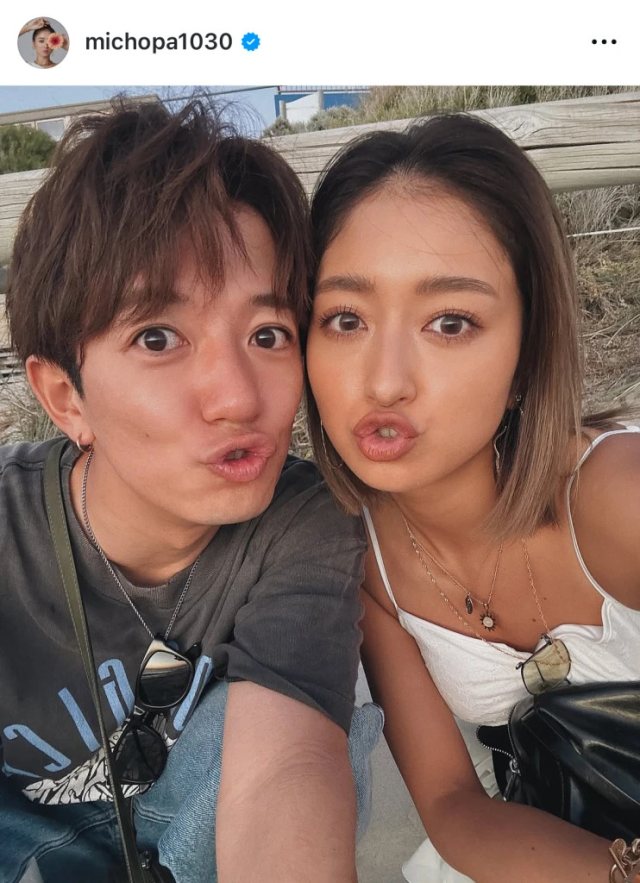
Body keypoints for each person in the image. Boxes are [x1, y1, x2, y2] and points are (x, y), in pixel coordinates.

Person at [0, 98, 381, 883]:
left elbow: (287, 766)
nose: (238, 397)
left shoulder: (303, 520)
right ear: (65, 396)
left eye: (267, 334)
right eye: (158, 338)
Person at [305, 113, 640, 883]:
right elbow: (452, 803)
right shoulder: (364, 561)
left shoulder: (617, 494)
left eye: (450, 322)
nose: (384, 380)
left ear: (527, 356)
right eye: (346, 319)